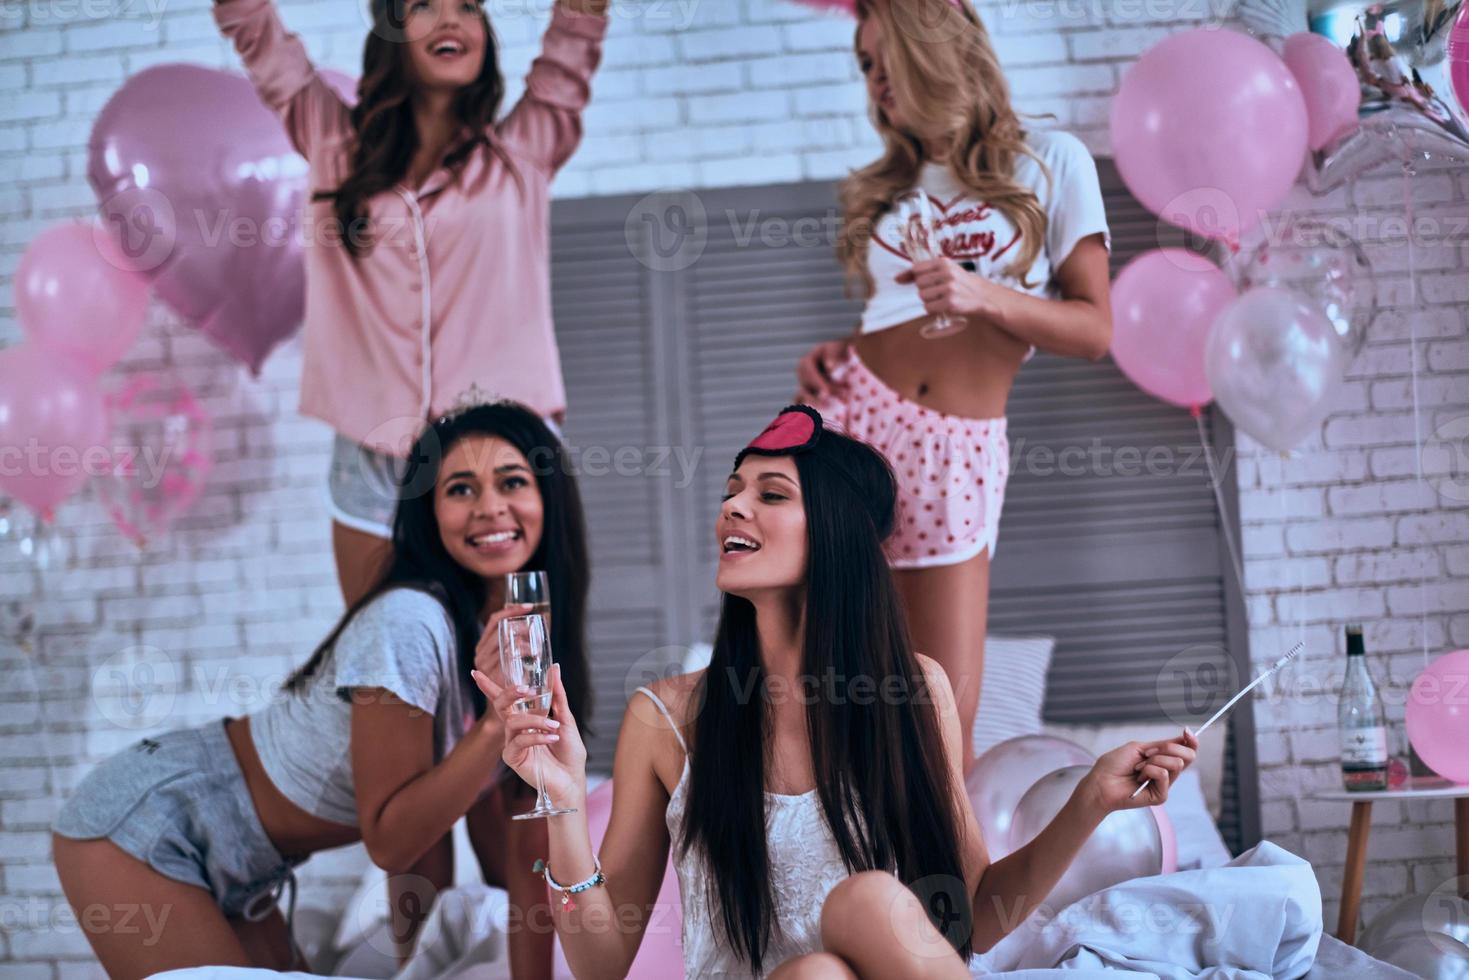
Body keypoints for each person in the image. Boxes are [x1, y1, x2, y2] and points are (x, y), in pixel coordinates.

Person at [476, 406, 1196, 979]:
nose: (732, 508)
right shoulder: (666, 717)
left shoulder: (914, 692)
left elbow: (975, 916)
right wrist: (563, 801)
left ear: (835, 535)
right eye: (731, 492)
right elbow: (600, 966)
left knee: (861, 912)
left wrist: (1090, 800)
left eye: (770, 494)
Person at [52, 402, 592, 980]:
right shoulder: (410, 622)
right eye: (460, 488)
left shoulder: (509, 644)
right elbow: (393, 841)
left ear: (548, 498)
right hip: (148, 825)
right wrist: (493, 726)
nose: (489, 507)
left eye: (512, 481)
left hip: (251, 864)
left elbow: (513, 860)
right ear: (431, 512)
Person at [796, 0, 1113, 770]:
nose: (875, 82)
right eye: (864, 66)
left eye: (884, 58)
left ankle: (946, 892)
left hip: (953, 449)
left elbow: (1095, 329)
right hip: (845, 425)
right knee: (834, 694)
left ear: (932, 45)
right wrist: (837, 354)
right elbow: (892, 317)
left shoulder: (1049, 160)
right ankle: (848, 884)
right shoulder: (888, 188)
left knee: (939, 711)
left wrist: (984, 296)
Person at [212, 0, 610, 603]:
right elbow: (261, 39)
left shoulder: (523, 151)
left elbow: (571, 45)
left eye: (469, 8)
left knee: (515, 668)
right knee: (385, 661)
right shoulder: (334, 146)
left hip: (502, 451)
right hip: (374, 448)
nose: (452, 20)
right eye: (425, 6)